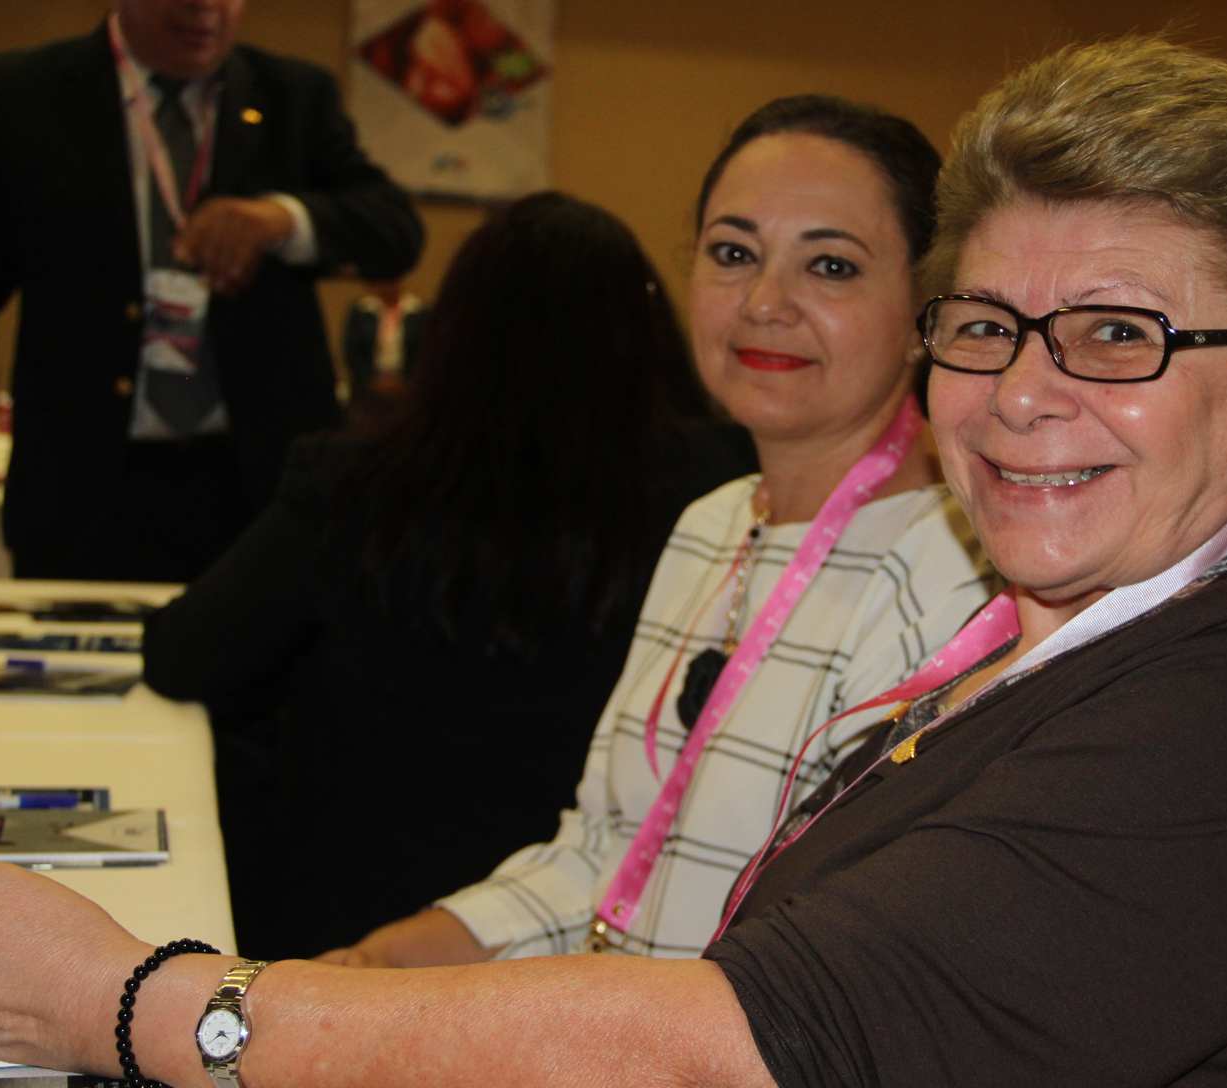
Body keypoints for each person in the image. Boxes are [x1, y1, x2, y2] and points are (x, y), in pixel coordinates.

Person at [0, 38, 1227, 1087]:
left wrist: (155, 1007)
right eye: (987, 326)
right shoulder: (1050, 639)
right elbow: (619, 882)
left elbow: (738, 1038)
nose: (1020, 393)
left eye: (1118, 335)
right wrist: (305, 989)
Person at [319, 94, 997, 965]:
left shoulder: (948, 577)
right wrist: (381, 963)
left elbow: (823, 966)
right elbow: (602, 855)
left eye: (830, 267)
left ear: (923, 314)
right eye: (732, 254)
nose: (764, 302)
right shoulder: (713, 524)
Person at [139, 191, 756, 960]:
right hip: (603, 942)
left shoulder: (354, 484)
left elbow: (183, 657)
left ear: (453, 330)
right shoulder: (721, 490)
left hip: (346, 930)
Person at [0, 0, 423, 582]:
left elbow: (395, 233)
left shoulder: (294, 94)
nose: (205, 10)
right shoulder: (21, 96)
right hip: (84, 490)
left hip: (261, 491)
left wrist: (285, 219)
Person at [339, 277, 427, 408]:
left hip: (408, 388)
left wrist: (405, 381)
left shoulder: (418, 310)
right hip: (368, 389)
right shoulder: (361, 309)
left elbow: (425, 352)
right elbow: (351, 351)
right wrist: (371, 380)